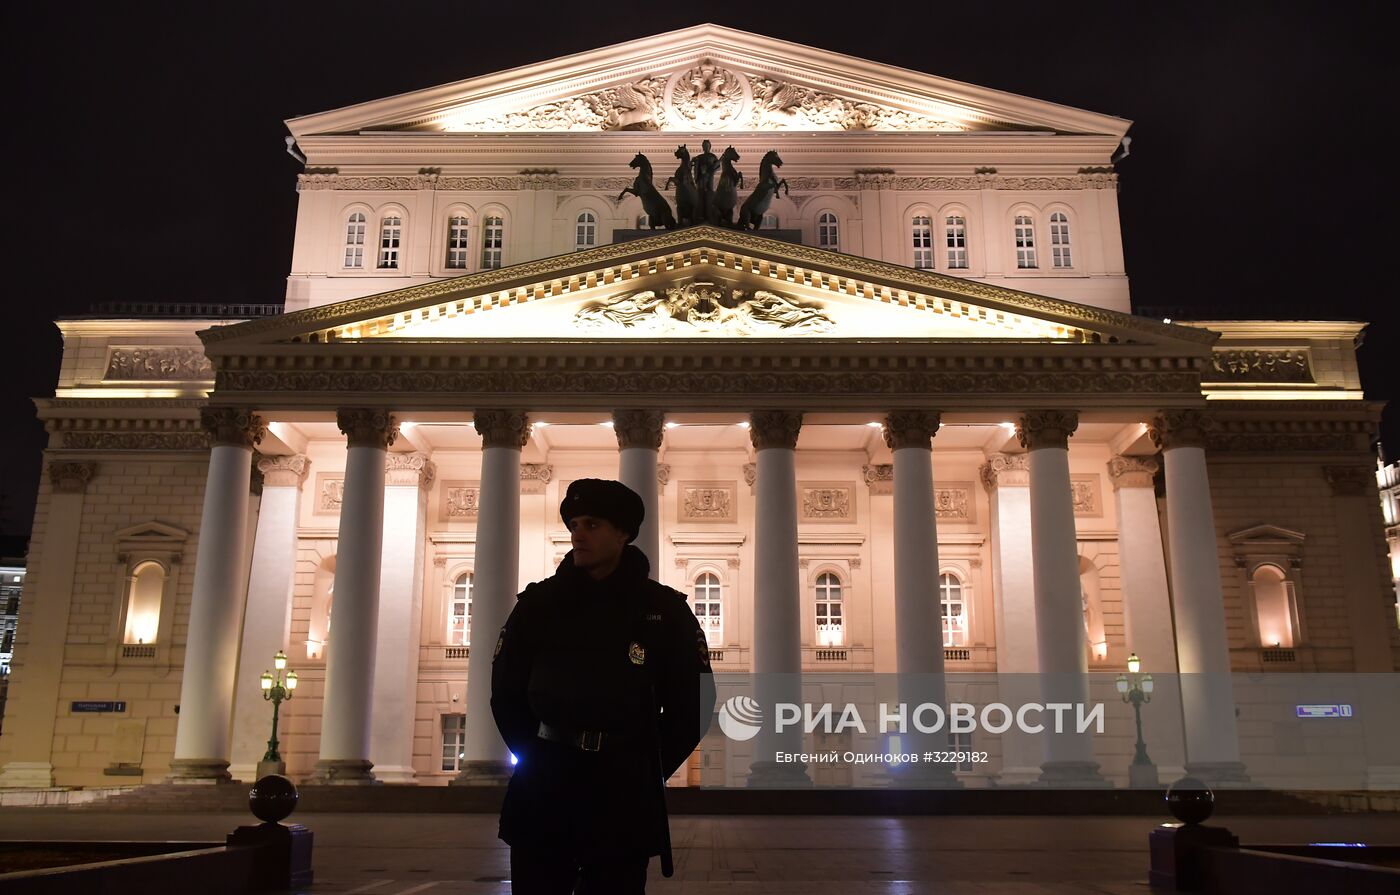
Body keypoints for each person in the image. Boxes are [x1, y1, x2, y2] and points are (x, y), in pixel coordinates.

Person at [491, 478, 718, 894]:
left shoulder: (663, 611)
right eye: (574, 523)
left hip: (622, 788)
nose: (578, 534)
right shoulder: (538, 606)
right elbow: (506, 694)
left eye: (592, 524)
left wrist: (647, 769)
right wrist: (538, 755)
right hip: (546, 786)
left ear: (623, 533)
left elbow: (694, 705)